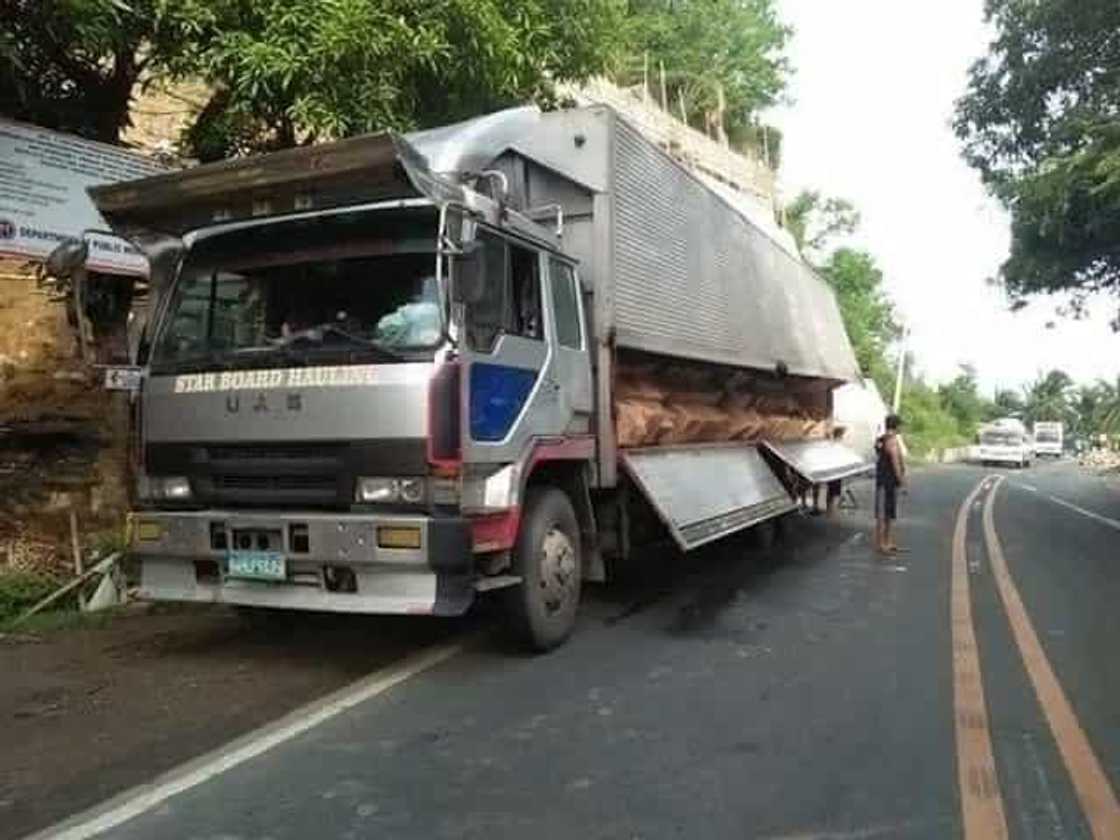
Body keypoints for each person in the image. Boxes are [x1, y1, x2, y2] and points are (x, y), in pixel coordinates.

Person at [874, 414, 906, 555]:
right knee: (884, 513)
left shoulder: (881, 439)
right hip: (887, 481)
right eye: (900, 425)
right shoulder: (891, 441)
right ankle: (882, 543)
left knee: (888, 512)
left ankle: (887, 541)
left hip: (884, 480)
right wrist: (901, 480)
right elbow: (895, 462)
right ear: (896, 425)